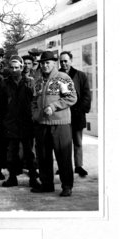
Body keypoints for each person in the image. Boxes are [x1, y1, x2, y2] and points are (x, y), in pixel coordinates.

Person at [31, 51, 77, 197]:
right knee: (43, 157)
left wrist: (54, 106)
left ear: (54, 63)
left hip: (60, 124)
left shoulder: (63, 78)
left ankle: (67, 186)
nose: (44, 65)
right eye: (42, 63)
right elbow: (33, 101)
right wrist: (35, 114)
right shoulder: (38, 81)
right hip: (42, 124)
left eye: (47, 63)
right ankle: (47, 185)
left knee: (63, 156)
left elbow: (72, 97)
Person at [0, 56, 39, 188]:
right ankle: (12, 177)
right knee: (11, 153)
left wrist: (33, 118)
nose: (14, 70)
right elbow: (0, 104)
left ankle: (33, 178)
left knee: (29, 153)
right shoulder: (4, 83)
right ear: (9, 68)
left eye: (17, 67)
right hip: (10, 123)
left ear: (21, 67)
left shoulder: (29, 82)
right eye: (12, 67)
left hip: (26, 122)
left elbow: (35, 101)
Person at [59, 51, 92, 177]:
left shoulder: (80, 75)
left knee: (77, 142)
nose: (63, 63)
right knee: (64, 144)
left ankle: (78, 166)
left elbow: (86, 95)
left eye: (66, 61)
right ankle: (64, 166)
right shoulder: (57, 76)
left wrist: (80, 109)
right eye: (61, 61)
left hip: (77, 114)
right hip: (62, 115)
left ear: (71, 61)